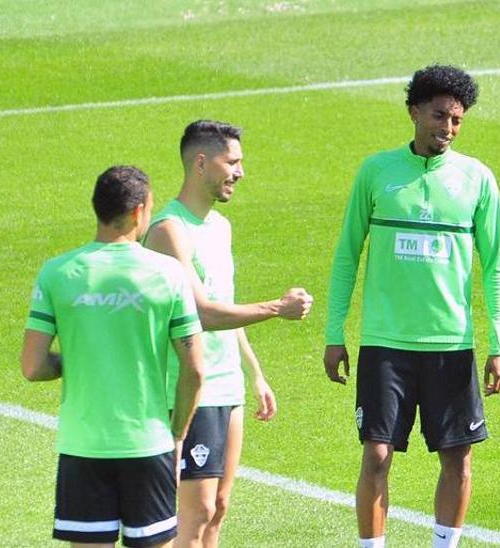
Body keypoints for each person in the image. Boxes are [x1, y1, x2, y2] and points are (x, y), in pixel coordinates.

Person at [323, 64, 500, 548]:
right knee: (377, 454)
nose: (446, 128)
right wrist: (333, 333)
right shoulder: (376, 172)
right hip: (385, 342)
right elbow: (347, 255)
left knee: (458, 458)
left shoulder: (477, 180)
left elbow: (495, 267)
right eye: (438, 116)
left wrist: (499, 344)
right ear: (413, 111)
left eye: (456, 121)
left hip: (451, 342)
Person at [142, 120, 313, 548]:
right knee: (192, 514)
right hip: (187, 389)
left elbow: (225, 303)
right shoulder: (168, 231)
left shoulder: (219, 227)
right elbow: (202, 312)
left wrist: (254, 373)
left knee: (218, 508)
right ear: (201, 162)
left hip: (227, 386)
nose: (240, 172)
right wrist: (277, 308)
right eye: (232, 162)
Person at [21, 165, 206, 548]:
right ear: (139, 211)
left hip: (82, 446)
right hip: (148, 443)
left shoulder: (57, 273)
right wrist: (177, 435)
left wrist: (80, 359)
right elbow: (195, 369)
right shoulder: (167, 274)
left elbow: (32, 366)